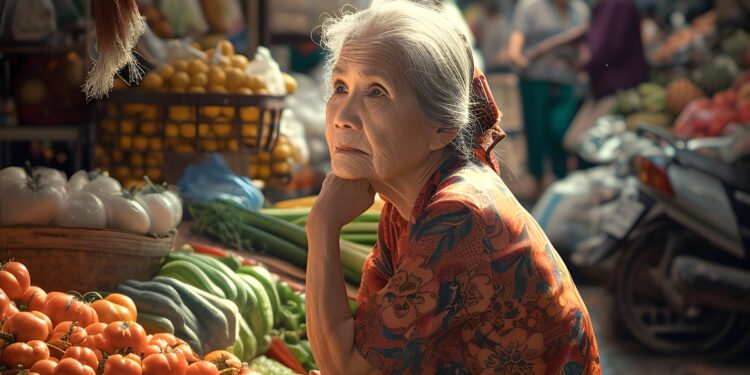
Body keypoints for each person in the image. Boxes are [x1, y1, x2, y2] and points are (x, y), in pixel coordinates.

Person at [305, 1, 600, 373]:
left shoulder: (460, 215)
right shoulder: (408, 203)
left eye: (376, 91)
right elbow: (368, 339)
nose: (343, 118)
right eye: (340, 86)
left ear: (442, 127)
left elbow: (346, 367)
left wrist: (322, 226)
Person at [507, 0, 590, 195]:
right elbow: (515, 47)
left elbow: (585, 49)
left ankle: (562, 181)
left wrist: (579, 61)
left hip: (566, 82)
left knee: (561, 131)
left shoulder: (580, 10)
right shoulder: (529, 8)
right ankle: (538, 185)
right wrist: (520, 59)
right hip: (535, 81)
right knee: (536, 133)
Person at [563, 0, 648, 154]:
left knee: (583, 143)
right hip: (602, 90)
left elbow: (603, 49)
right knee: (574, 141)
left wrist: (580, 63)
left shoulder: (617, 5)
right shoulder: (603, 7)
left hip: (619, 91)